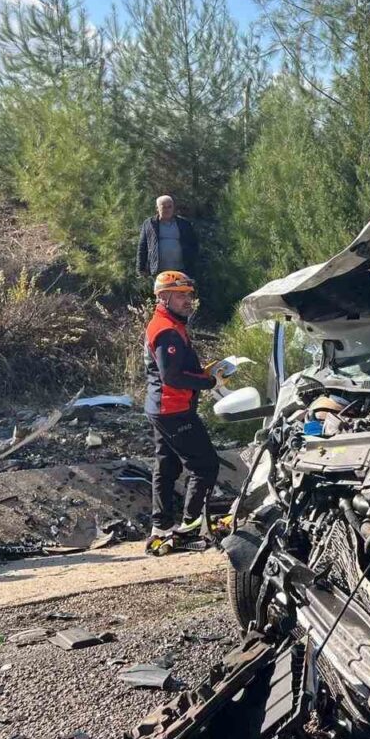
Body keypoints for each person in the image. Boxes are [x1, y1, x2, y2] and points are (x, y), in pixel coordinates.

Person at [144, 270, 222, 554]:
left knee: (167, 466)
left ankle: (161, 528)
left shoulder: (169, 324)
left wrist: (203, 374)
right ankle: (189, 529)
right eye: (180, 295)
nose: (188, 300)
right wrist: (209, 382)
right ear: (163, 297)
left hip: (163, 408)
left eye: (189, 295)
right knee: (205, 466)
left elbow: (174, 372)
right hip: (173, 409)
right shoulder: (166, 329)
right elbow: (172, 377)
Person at [136, 195, 199, 280]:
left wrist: (192, 264)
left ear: (173, 208)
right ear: (157, 208)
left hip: (181, 270)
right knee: (162, 289)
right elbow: (142, 247)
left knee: (180, 289)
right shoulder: (149, 224)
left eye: (170, 207)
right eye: (164, 207)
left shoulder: (184, 224)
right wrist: (141, 269)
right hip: (158, 271)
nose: (167, 210)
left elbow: (194, 244)